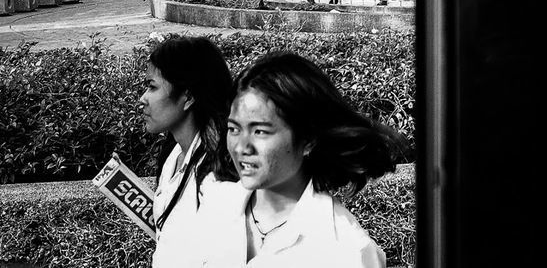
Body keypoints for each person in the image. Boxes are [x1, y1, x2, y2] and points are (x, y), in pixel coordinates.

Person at [194, 52, 401, 267]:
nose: (241, 147)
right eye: (233, 129)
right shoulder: (216, 205)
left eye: (260, 132)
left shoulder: (346, 249)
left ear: (308, 140)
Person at [139, 36, 234, 268]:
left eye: (152, 87)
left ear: (189, 96)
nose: (142, 99)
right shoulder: (173, 154)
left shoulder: (219, 176)